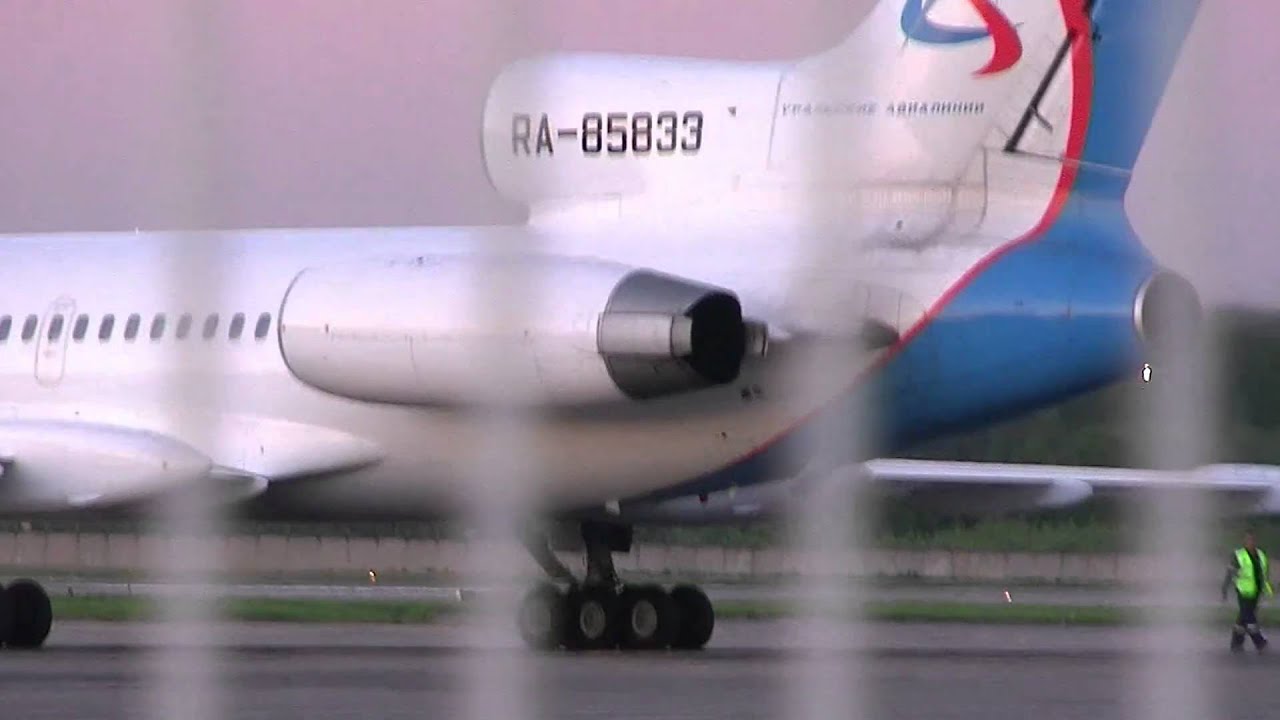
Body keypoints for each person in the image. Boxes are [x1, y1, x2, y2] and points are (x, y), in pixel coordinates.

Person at [1221, 530, 1272, 652]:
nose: (1251, 542)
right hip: (1243, 591)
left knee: (1242, 619)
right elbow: (1230, 572)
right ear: (1244, 542)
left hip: (1256, 591)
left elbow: (1263, 573)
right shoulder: (1239, 556)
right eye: (1248, 540)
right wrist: (1225, 588)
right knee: (1249, 617)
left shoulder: (1260, 555)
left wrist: (1266, 588)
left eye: (1253, 540)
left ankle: (1236, 643)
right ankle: (1259, 642)